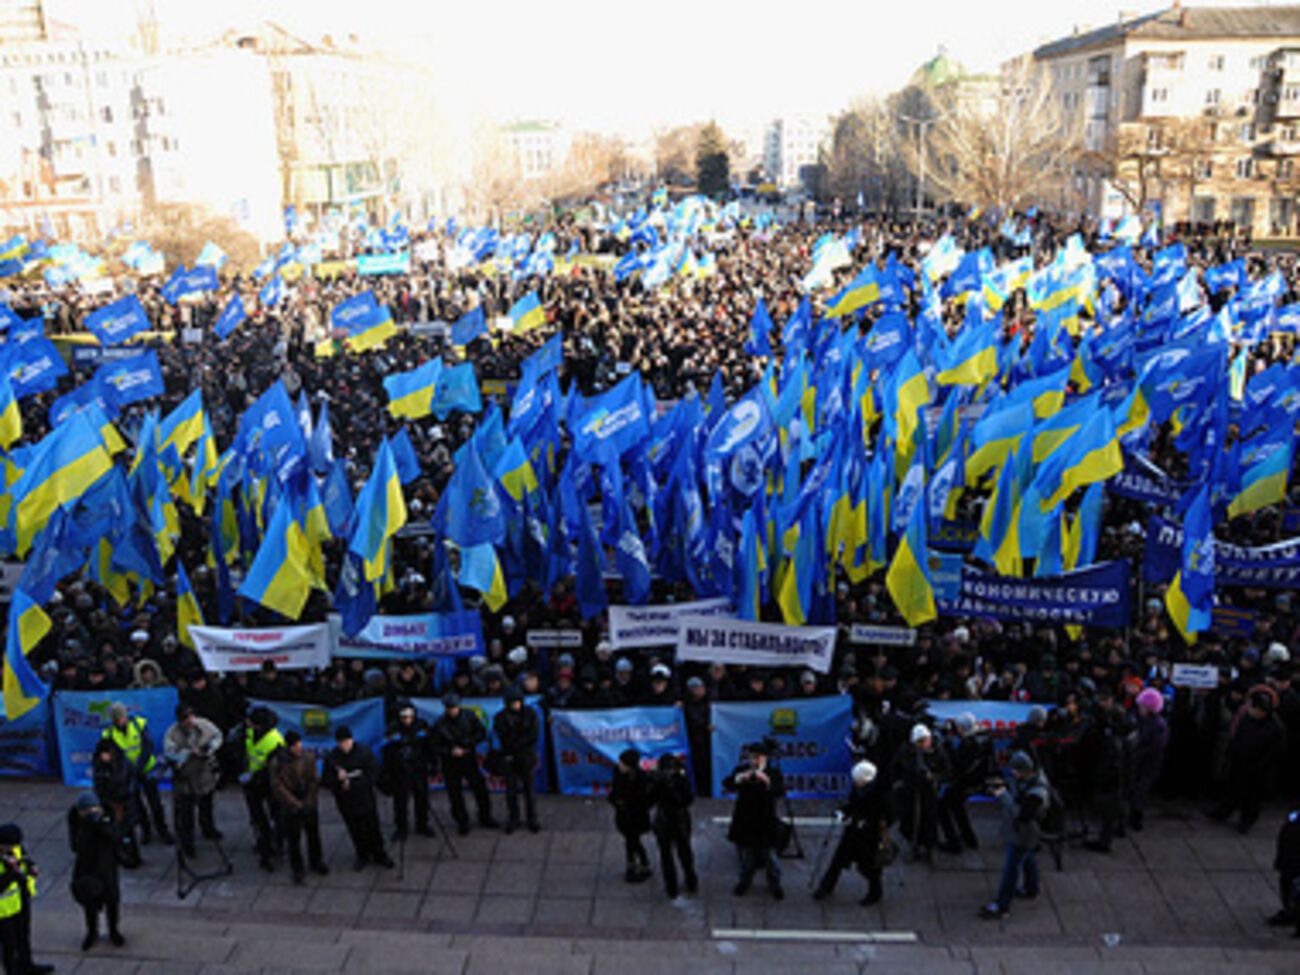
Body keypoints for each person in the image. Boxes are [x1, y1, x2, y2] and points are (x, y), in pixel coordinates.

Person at [980, 750, 1051, 920]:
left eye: (1015, 771)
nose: (1013, 774)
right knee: (1028, 858)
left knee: (1011, 869)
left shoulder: (1036, 795)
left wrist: (1003, 796)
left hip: (1024, 832)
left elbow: (1021, 815)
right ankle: (1031, 888)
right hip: (1026, 833)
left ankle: (1002, 905)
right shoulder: (1032, 780)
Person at [813, 760, 892, 906]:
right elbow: (852, 805)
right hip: (853, 831)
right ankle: (826, 887)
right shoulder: (859, 789)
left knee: (869, 866)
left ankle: (875, 892)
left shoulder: (881, 794)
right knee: (838, 860)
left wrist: (871, 823)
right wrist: (844, 811)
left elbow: (888, 815)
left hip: (870, 835)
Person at [1210, 687, 1288, 834]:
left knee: (1251, 797)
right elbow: (1238, 736)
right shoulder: (1247, 719)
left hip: (1257, 768)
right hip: (1240, 762)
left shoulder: (1275, 728)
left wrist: (1261, 766)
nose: (1251, 711)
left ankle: (1246, 821)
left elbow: (1275, 753)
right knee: (1233, 790)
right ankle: (1223, 812)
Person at [722, 739, 786, 900]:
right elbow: (727, 783)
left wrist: (767, 781)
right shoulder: (742, 770)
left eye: (758, 757)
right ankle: (745, 881)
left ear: (765, 758)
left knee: (770, 855)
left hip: (765, 819)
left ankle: (775, 883)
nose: (754, 761)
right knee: (747, 855)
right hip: (746, 819)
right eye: (752, 757)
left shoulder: (773, 772)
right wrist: (740, 778)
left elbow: (780, 791)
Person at [101, 702, 172, 846]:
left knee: (155, 803)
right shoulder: (108, 734)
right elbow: (110, 754)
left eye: (121, 718)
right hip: (127, 774)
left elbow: (148, 746)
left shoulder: (139, 724)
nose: (119, 722)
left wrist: (138, 766)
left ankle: (163, 830)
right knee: (136, 804)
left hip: (146, 769)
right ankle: (146, 831)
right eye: (116, 720)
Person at [323, 725, 394, 870]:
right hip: (345, 801)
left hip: (364, 798)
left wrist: (353, 783)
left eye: (346, 741)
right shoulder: (332, 757)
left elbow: (372, 775)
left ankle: (380, 854)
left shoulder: (364, 752)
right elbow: (326, 781)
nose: (344, 745)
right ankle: (362, 855)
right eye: (341, 742)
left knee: (373, 828)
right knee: (355, 829)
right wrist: (338, 780)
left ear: (352, 740)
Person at [431, 692, 498, 836]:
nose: (452, 711)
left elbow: (481, 733)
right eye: (449, 708)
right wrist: (450, 750)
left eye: (454, 707)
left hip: (468, 758)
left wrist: (469, 743)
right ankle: (462, 820)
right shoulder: (439, 723)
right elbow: (435, 745)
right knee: (455, 793)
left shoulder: (469, 716)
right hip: (450, 762)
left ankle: (485, 816)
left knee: (480, 788)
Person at [163, 703, 223, 859]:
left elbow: (217, 736)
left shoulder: (204, 725)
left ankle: (208, 828)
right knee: (186, 813)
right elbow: (170, 753)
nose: (189, 721)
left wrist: (209, 748)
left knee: (206, 804)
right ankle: (187, 844)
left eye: (190, 716)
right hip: (186, 778)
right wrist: (188, 753)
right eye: (185, 719)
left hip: (204, 774)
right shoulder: (172, 733)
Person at [270, 731, 330, 885]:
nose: (299, 747)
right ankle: (297, 868)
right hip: (291, 806)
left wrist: (308, 800)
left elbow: (314, 780)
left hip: (308, 802)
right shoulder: (278, 763)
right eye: (295, 745)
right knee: (294, 839)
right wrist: (296, 804)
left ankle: (316, 861)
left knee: (313, 834)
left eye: (299, 744)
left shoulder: (308, 757)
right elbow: (278, 787)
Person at [68, 792, 124, 952]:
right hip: (87, 865)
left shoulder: (108, 814)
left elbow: (115, 836)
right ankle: (92, 931)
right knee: (89, 901)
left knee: (112, 899)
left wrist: (100, 824)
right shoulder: (75, 818)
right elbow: (76, 846)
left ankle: (113, 930)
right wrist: (87, 826)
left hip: (107, 864)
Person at [891, 723, 950, 863]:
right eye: (920, 742)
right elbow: (895, 767)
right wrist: (898, 782)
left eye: (926, 740)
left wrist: (934, 777)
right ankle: (914, 847)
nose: (924, 744)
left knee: (929, 820)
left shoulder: (937, 750)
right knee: (910, 820)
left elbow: (947, 770)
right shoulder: (906, 751)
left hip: (929, 792)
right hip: (910, 791)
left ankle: (930, 848)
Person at [0, 823, 52, 975]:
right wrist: (11, 872)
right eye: (8, 846)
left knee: (23, 938)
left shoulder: (15, 848)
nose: (12, 849)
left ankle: (27, 965)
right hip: (3, 911)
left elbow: (25, 859)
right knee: (9, 946)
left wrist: (30, 867)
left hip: (20, 900)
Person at [381, 701, 435, 841]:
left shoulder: (421, 726)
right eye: (404, 717)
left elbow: (429, 747)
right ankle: (401, 828)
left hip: (419, 769)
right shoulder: (392, 729)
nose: (407, 720)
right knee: (400, 801)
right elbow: (387, 752)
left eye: (410, 716)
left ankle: (422, 824)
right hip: (400, 771)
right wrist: (390, 771)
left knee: (422, 798)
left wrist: (432, 765)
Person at [241, 706, 285, 871]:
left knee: (277, 815)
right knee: (257, 817)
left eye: (250, 722)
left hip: (269, 784)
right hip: (252, 784)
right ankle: (263, 843)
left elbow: (275, 768)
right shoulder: (250, 733)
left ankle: (277, 845)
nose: (247, 723)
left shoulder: (275, 740)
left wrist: (255, 776)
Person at [492, 686, 541, 834]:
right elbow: (501, 735)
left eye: (517, 702)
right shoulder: (501, 717)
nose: (515, 705)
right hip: (510, 757)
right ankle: (514, 818)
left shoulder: (530, 714)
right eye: (512, 703)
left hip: (526, 756)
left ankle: (532, 818)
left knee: (529, 790)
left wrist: (518, 743)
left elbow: (533, 734)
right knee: (511, 791)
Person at [649, 753, 697, 899]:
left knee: (666, 855)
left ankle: (672, 887)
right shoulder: (681, 780)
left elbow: (650, 799)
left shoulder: (658, 780)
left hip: (664, 819)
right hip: (680, 819)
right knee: (684, 852)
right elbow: (688, 799)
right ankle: (691, 881)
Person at [939, 712, 987, 852]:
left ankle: (953, 841)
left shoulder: (967, 745)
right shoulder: (981, 739)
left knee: (942, 809)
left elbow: (957, 765)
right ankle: (969, 839)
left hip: (963, 783)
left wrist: (948, 745)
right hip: (974, 782)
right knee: (958, 809)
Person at [91, 738, 140, 868]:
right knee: (114, 832)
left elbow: (132, 780)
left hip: (125, 802)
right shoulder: (100, 767)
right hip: (111, 803)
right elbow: (99, 786)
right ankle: (120, 855)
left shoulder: (124, 763)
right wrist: (106, 801)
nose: (104, 757)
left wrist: (127, 795)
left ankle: (132, 857)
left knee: (128, 832)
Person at [609, 749, 653, 883]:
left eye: (623, 764)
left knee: (632, 840)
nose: (620, 765)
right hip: (624, 815)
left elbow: (645, 800)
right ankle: (640, 864)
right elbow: (615, 791)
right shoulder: (618, 773)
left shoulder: (641, 779)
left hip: (635, 816)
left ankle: (636, 864)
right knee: (632, 840)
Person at [1128, 688, 1169, 832]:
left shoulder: (1158, 725)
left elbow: (1156, 746)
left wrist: (1138, 753)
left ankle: (1136, 815)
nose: (1140, 709)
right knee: (1135, 787)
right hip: (1139, 759)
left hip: (1149, 761)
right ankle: (1133, 813)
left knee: (1141, 788)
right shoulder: (1140, 719)